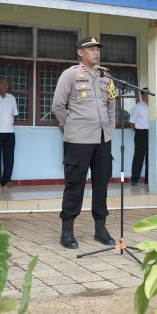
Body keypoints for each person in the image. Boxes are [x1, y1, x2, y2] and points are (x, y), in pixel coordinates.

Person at [52, 36, 117, 249]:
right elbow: (58, 106)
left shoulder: (106, 75)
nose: (96, 52)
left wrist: (108, 130)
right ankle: (67, 231)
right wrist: (69, 127)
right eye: (91, 49)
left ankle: (100, 228)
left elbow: (111, 106)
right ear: (80, 52)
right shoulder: (70, 75)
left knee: (101, 184)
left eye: (98, 49)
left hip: (102, 140)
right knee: (75, 185)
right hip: (78, 140)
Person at [0, 77, 19, 188]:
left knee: (9, 158)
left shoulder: (11, 98)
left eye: (7, 84)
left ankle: (7, 181)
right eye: (2, 83)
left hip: (10, 133)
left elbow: (15, 115)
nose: (5, 86)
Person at [129, 88, 149, 186]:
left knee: (150, 158)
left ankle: (148, 180)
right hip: (141, 133)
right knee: (139, 157)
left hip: (151, 134)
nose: (149, 95)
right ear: (142, 95)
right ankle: (134, 180)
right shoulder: (138, 107)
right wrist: (138, 132)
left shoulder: (154, 106)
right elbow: (131, 123)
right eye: (147, 94)